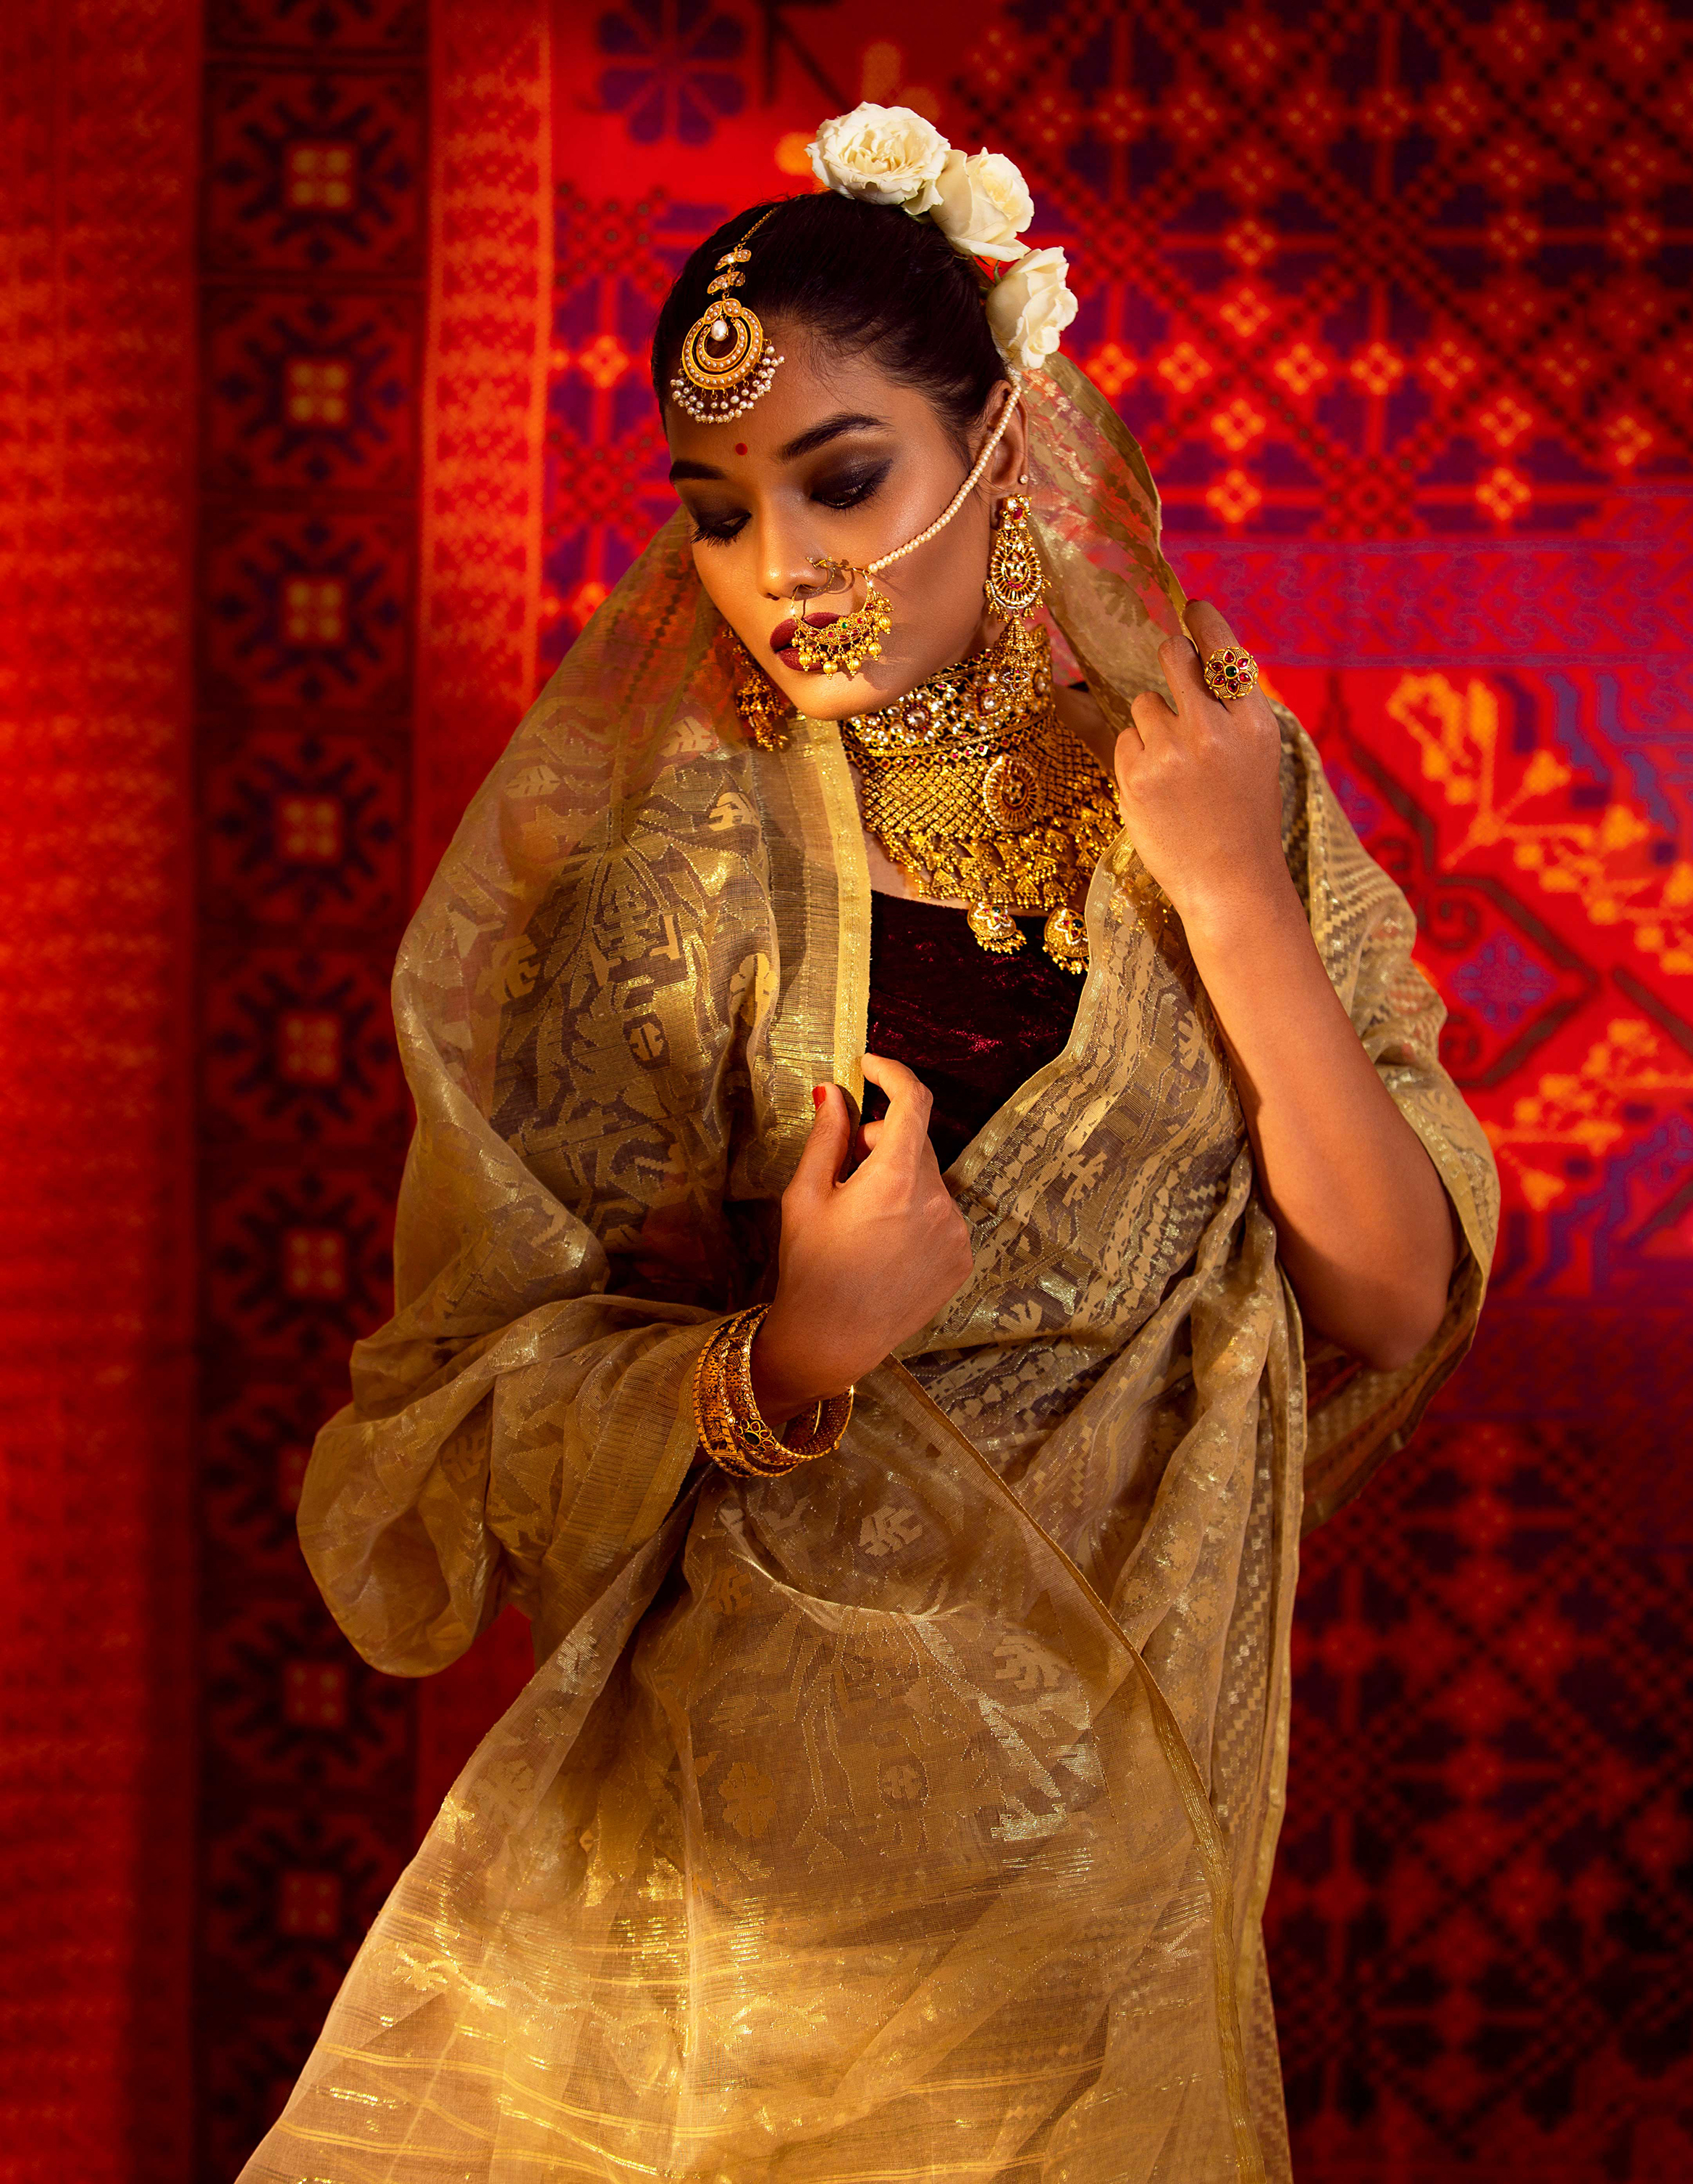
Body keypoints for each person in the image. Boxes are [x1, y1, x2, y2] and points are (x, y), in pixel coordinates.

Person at [241, 104, 1497, 2184]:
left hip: (1105, 1846)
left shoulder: (1210, 785)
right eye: (718, 511)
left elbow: (1386, 1291)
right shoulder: (669, 884)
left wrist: (1233, 900)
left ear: (1001, 446)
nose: (781, 572)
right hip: (741, 1872)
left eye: (842, 481)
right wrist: (787, 1355)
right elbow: (442, 1435)